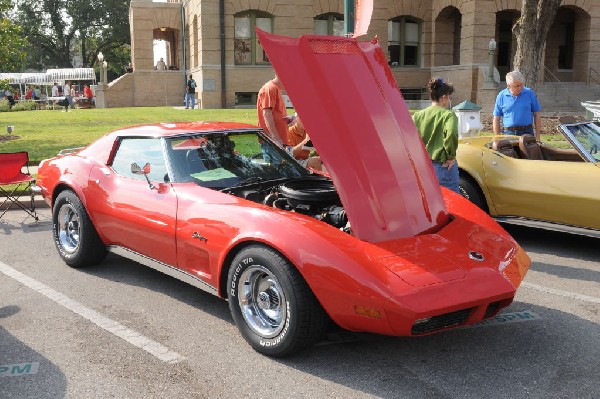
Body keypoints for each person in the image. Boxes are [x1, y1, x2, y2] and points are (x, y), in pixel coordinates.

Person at [412, 76, 460, 193]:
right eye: (450, 97)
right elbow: (451, 135)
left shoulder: (417, 116)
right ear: (443, 98)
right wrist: (451, 156)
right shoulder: (448, 115)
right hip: (442, 165)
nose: (450, 100)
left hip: (423, 165)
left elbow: (410, 138)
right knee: (452, 202)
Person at [493, 70, 542, 140]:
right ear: (509, 86)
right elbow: (496, 119)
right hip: (509, 133)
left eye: (521, 85)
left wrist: (538, 137)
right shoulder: (501, 96)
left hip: (527, 132)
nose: (520, 88)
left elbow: (537, 114)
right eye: (517, 86)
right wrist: (497, 138)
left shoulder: (529, 93)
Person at [257, 75, 288, 146]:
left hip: (278, 140)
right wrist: (275, 137)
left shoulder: (276, 88)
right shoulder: (270, 88)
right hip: (272, 142)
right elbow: (267, 114)